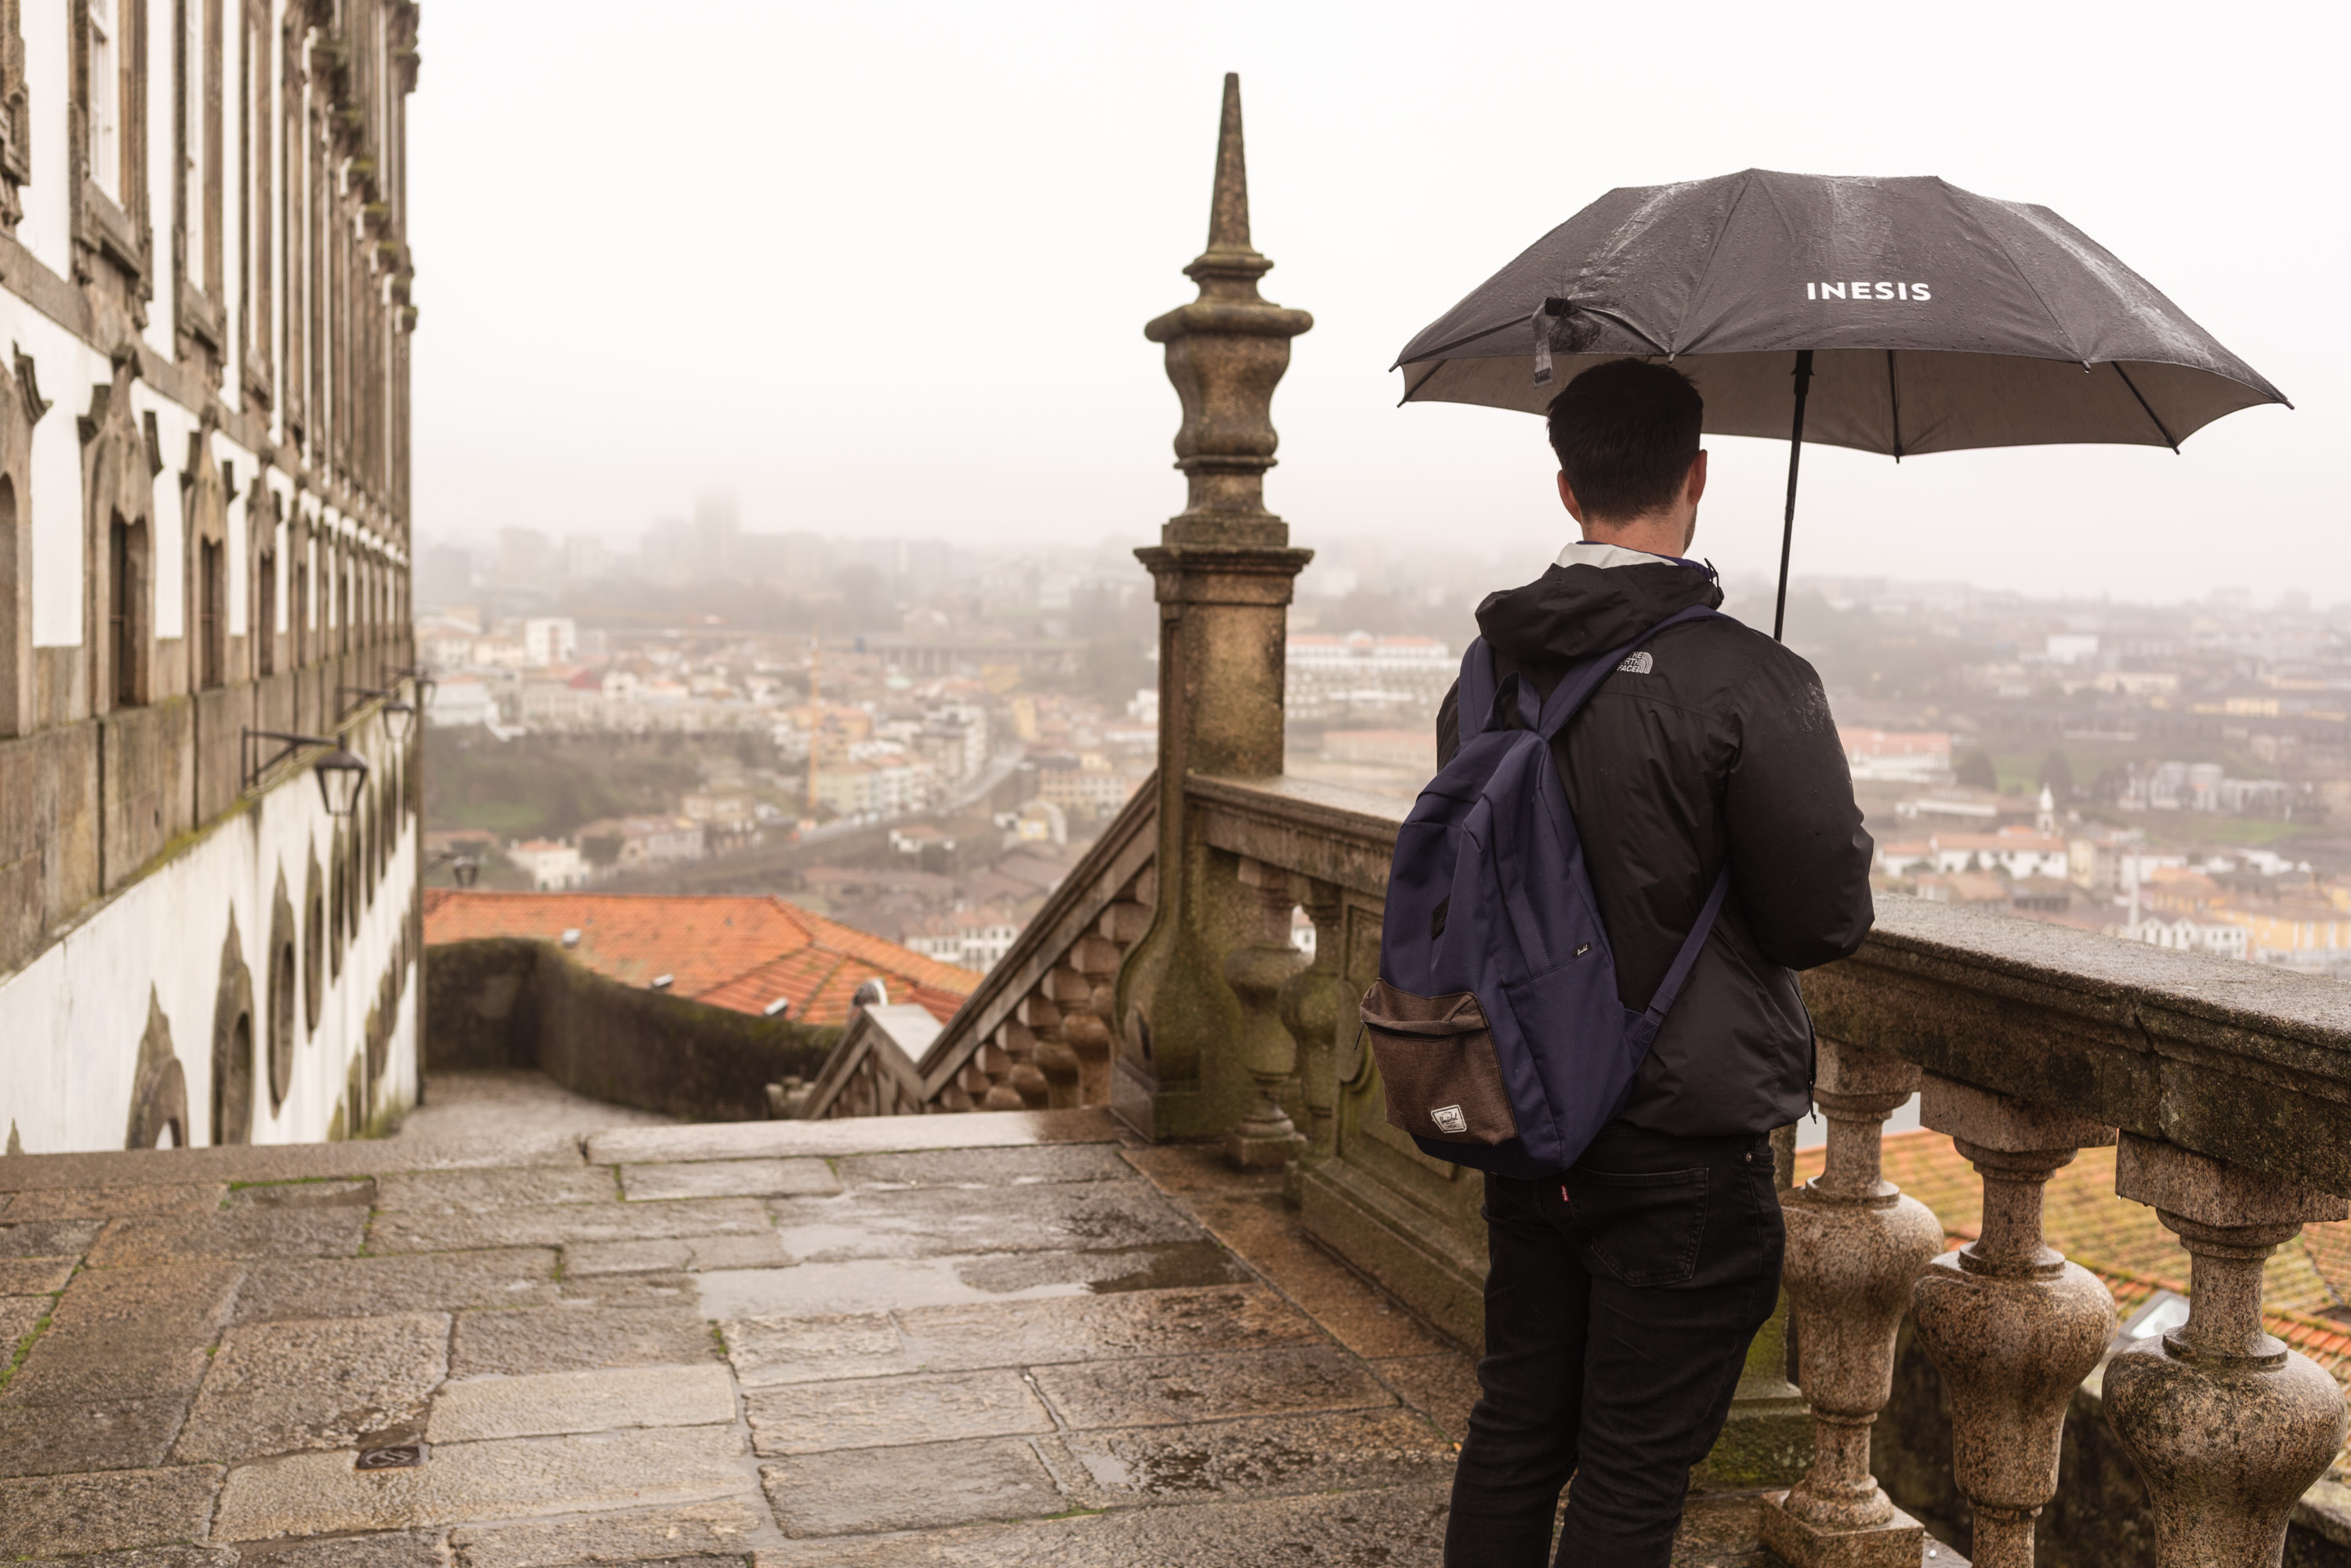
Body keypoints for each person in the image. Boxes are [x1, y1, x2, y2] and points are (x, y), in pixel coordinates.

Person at [1437, 357, 1875, 1567]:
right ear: (1695, 478)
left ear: (1568, 486)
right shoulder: (1750, 680)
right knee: (1633, 1468)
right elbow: (1822, 919)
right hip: (1682, 1133)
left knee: (1517, 1423)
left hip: (1529, 1114)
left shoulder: (1487, 673)